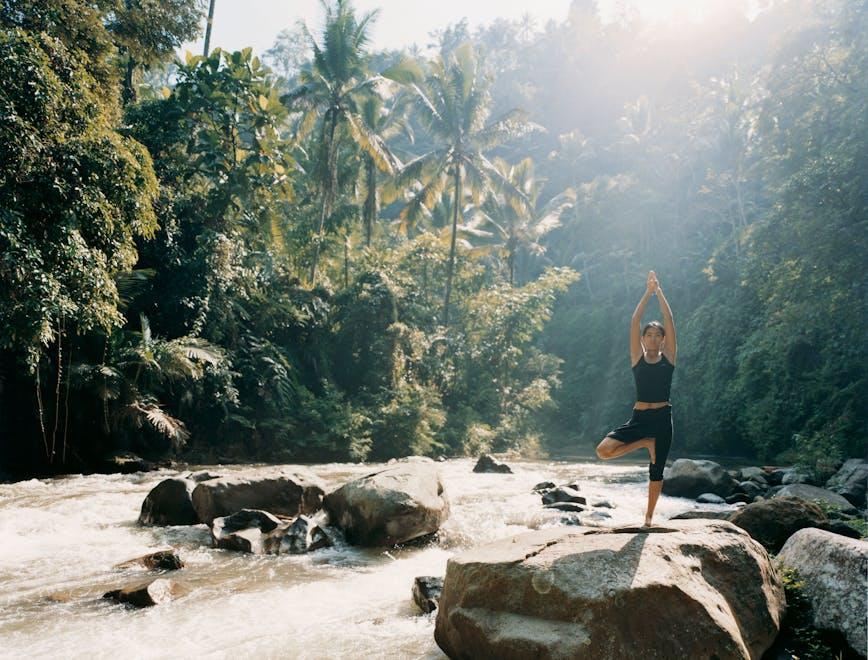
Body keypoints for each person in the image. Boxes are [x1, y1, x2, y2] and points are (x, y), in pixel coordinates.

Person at [595, 270, 676, 526]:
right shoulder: (637, 358)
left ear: (663, 340)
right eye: (648, 334)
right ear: (642, 339)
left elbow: (669, 318)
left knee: (656, 472)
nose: (653, 338)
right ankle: (644, 443)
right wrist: (647, 291)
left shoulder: (669, 358)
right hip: (639, 418)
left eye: (657, 335)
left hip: (662, 419)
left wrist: (659, 291)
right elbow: (634, 319)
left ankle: (649, 520)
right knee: (603, 451)